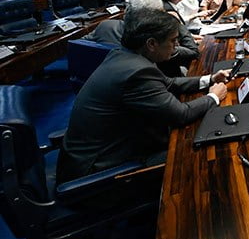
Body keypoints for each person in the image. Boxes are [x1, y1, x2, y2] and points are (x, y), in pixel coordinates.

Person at [57, 11, 230, 184]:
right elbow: (181, 115)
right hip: (98, 174)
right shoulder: (137, 72)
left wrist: (210, 79)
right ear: (152, 44)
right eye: (172, 41)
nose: (176, 46)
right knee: (198, 155)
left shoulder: (123, 55)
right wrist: (213, 97)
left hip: (105, 149)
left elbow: (168, 83)